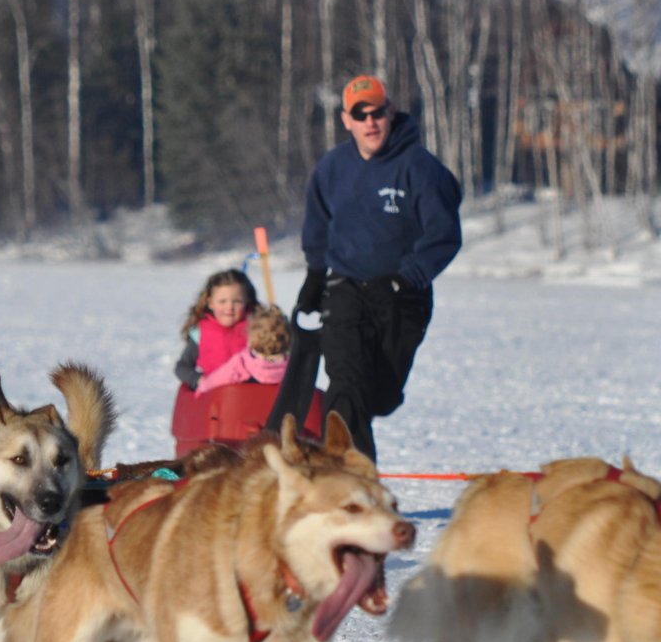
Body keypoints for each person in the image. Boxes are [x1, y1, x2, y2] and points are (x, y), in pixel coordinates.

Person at [294, 74, 461, 460]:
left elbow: (445, 235)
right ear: (345, 120)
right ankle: (352, 483)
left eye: (378, 112)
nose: (371, 122)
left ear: (392, 112)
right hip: (346, 288)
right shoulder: (332, 168)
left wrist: (406, 279)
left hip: (403, 298)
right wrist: (315, 276)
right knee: (345, 384)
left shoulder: (419, 167)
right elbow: (318, 226)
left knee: (380, 396)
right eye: (360, 113)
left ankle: (352, 467)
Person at [174, 267, 259, 392]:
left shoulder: (257, 330)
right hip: (214, 400)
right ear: (210, 303)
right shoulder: (201, 333)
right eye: (222, 301)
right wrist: (198, 379)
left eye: (237, 301)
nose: (229, 307)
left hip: (249, 397)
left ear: (247, 301)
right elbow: (181, 367)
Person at [195, 304, 290, 395]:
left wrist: (201, 389)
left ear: (252, 338)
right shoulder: (292, 367)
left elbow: (214, 381)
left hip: (242, 409)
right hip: (276, 410)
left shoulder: (242, 364)